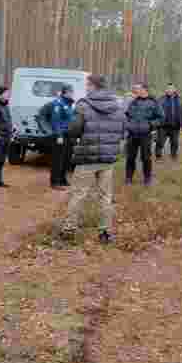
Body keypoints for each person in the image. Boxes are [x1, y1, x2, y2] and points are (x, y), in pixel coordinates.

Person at [60, 74, 125, 243]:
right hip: (108, 159)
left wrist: (68, 131)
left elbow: (74, 130)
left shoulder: (83, 105)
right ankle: (105, 232)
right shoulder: (117, 106)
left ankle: (69, 230)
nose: (85, 88)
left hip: (87, 157)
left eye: (87, 85)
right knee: (105, 196)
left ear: (92, 85)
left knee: (79, 194)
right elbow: (122, 131)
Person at [125, 83, 163, 186]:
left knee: (146, 157)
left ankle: (147, 178)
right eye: (136, 89)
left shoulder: (154, 103)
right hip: (132, 134)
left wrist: (150, 125)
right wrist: (128, 125)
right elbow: (127, 115)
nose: (136, 90)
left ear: (145, 90)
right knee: (130, 157)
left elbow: (161, 118)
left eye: (138, 88)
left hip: (145, 135)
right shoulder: (133, 102)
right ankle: (128, 178)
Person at [38, 85, 75, 190]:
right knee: (58, 159)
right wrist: (58, 135)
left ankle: (62, 179)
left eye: (72, 92)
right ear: (65, 92)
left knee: (66, 158)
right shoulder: (58, 104)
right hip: (60, 135)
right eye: (71, 92)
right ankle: (55, 181)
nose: (72, 93)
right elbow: (56, 121)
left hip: (68, 135)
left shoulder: (68, 104)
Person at [155, 83, 182, 160]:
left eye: (171, 88)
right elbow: (156, 112)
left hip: (175, 125)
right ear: (166, 90)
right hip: (163, 125)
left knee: (175, 142)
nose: (169, 90)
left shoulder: (181, 100)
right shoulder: (160, 99)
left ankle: (173, 155)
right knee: (160, 141)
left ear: (175, 90)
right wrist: (156, 124)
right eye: (168, 88)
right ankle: (158, 156)